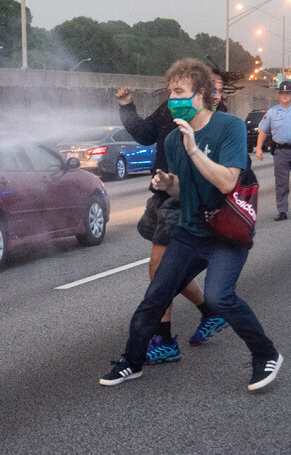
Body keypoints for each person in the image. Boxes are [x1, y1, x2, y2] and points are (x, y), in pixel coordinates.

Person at [101, 58, 282, 392]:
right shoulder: (172, 139)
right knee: (156, 295)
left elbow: (227, 183)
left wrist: (195, 150)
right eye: (171, 93)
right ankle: (131, 361)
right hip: (190, 230)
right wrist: (168, 183)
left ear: (201, 95)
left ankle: (266, 354)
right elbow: (186, 191)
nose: (173, 100)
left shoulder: (229, 127)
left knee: (220, 296)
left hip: (227, 232)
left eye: (180, 92)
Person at [115, 69, 230, 365]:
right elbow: (143, 135)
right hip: (163, 193)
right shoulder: (168, 112)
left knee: (159, 268)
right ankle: (210, 311)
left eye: (218, 89)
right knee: (168, 272)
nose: (174, 96)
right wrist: (127, 106)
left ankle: (164, 340)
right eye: (172, 90)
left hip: (187, 200)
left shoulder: (218, 122)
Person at [255, 80, 291, 221]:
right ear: (279, 95)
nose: (285, 96)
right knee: (281, 183)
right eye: (282, 93)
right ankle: (282, 210)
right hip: (281, 151)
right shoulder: (271, 112)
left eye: (288, 93)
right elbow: (263, 131)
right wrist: (258, 148)